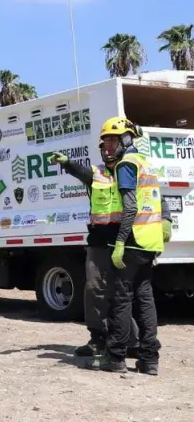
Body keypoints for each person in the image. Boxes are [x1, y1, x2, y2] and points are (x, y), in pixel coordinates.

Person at [74, 117, 165, 375]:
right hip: (149, 241)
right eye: (106, 142)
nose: (108, 147)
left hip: (132, 240)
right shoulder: (145, 164)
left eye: (114, 140)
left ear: (126, 139)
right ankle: (149, 360)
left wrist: (121, 242)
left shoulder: (126, 164)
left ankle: (115, 357)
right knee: (145, 300)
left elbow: (130, 207)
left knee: (122, 300)